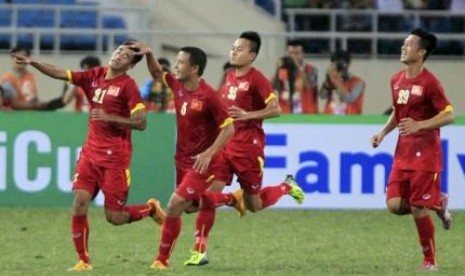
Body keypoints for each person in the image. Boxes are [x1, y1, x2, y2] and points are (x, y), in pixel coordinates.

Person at [11, 40, 166, 271]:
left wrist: (110, 118)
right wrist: (33, 62)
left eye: (125, 56)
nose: (118, 56)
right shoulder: (94, 75)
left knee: (115, 217)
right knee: (79, 203)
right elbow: (59, 73)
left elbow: (141, 122)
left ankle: (151, 209)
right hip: (89, 155)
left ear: (130, 66)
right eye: (118, 51)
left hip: (115, 159)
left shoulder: (128, 86)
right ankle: (83, 260)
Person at [182, 31, 305, 266]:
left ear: (252, 55)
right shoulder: (230, 76)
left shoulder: (257, 79)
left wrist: (249, 114)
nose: (234, 51)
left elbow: (276, 109)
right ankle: (198, 251)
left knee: (254, 205)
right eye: (233, 48)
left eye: (240, 49)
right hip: (225, 146)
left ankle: (286, 186)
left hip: (249, 148)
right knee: (204, 198)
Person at [133, 43, 235, 270]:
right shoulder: (177, 85)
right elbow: (157, 74)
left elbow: (229, 128)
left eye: (180, 63)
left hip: (203, 163)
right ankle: (231, 199)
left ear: (194, 68)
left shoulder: (209, 96)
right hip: (182, 161)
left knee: (174, 204)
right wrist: (149, 54)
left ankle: (161, 260)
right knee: (188, 208)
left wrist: (209, 153)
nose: (176, 66)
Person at [370, 28, 454, 271]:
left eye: (408, 44)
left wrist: (421, 125)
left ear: (421, 52)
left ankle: (430, 260)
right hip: (402, 153)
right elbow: (399, 110)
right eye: (404, 43)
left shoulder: (430, 82)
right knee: (395, 205)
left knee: (418, 207)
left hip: (427, 155)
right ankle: (437, 202)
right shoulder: (396, 79)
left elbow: (449, 114)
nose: (403, 47)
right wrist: (383, 133)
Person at [272, 39, 318, 114]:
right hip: (286, 113)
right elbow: (271, 87)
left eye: (296, 53)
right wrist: (277, 70)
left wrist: (297, 65)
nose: (293, 56)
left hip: (306, 115)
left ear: (303, 53)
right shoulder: (283, 70)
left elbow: (309, 85)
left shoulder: (311, 70)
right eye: (290, 53)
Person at [319, 49, 365, 115]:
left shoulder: (358, 82)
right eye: (335, 65)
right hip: (329, 120)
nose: (337, 68)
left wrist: (337, 81)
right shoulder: (331, 80)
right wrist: (327, 79)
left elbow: (350, 99)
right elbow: (322, 96)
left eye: (339, 66)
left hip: (349, 121)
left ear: (347, 65)